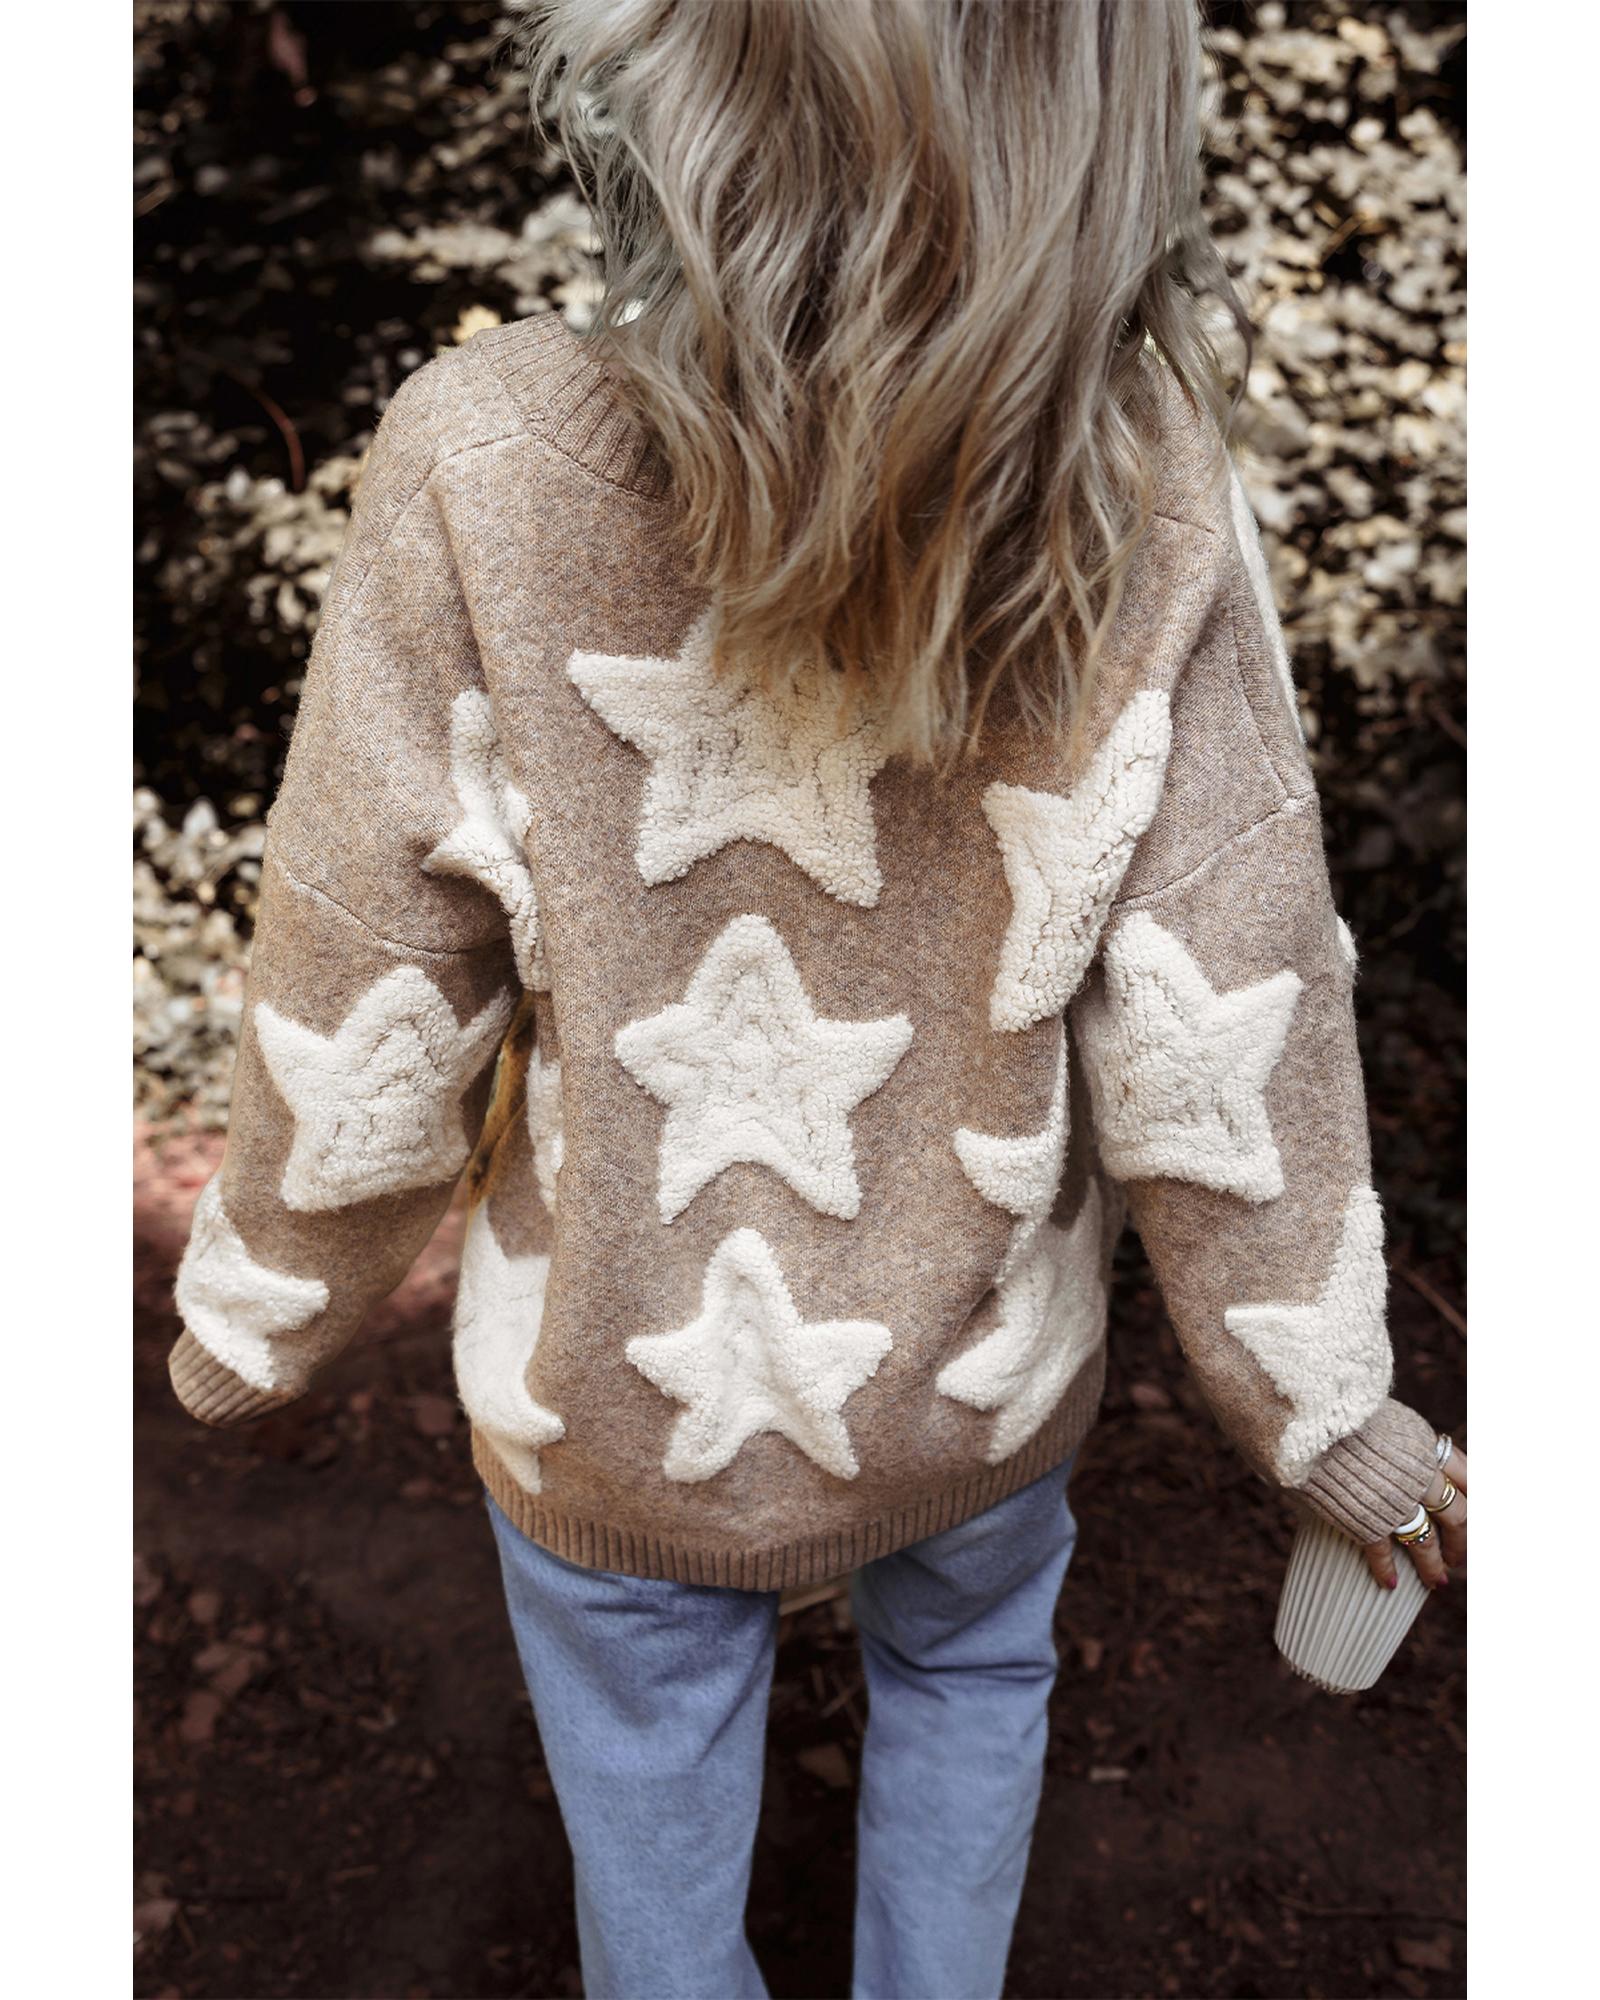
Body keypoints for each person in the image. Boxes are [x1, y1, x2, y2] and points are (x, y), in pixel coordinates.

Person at [164, 2, 1467, 1995]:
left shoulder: (484, 455)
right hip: (976, 1379)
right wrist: (1321, 1409)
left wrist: (265, 1312)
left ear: (660, 65)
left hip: (605, 1394)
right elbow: (1230, 996)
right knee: (970, 1680)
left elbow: (371, 971)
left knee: (643, 1773)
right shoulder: (1139, 482)